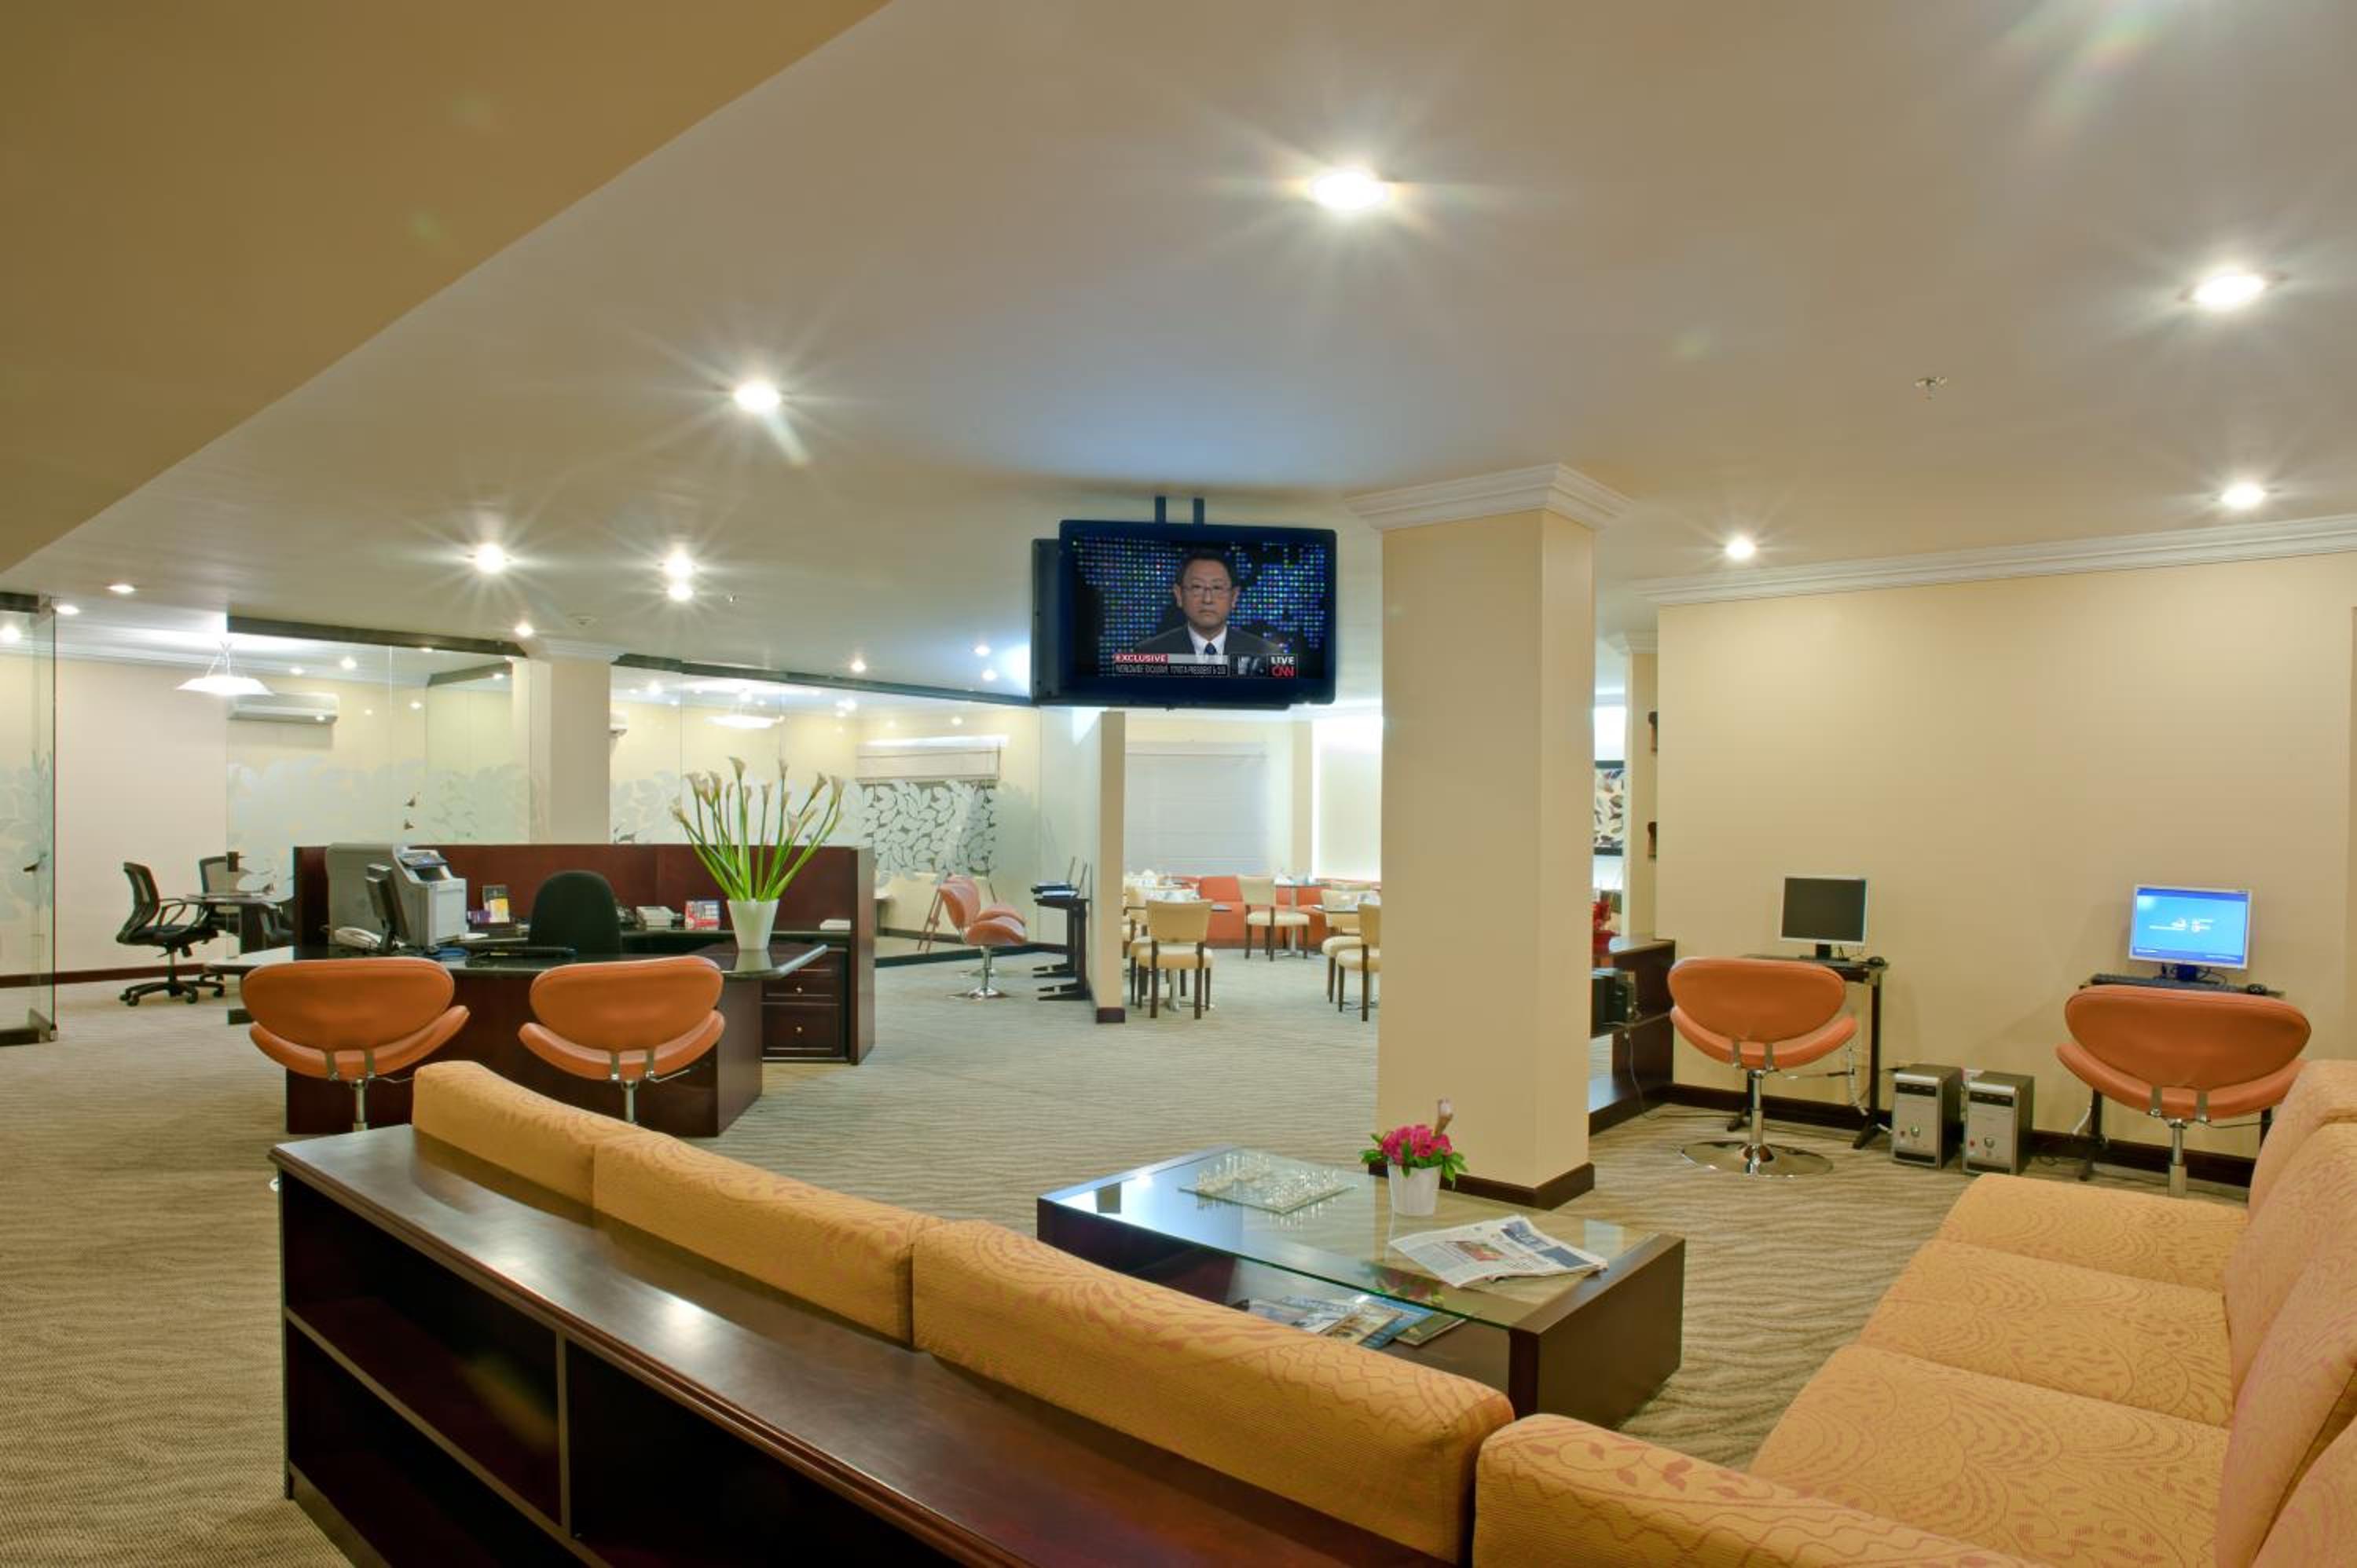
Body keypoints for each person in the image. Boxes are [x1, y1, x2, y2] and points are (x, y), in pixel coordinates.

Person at [1130, 548, 1282, 664]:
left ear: (1234, 597)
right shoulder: (1149, 653)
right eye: (1197, 587)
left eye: (1217, 588)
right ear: (1179, 595)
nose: (1208, 599)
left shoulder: (1267, 655)